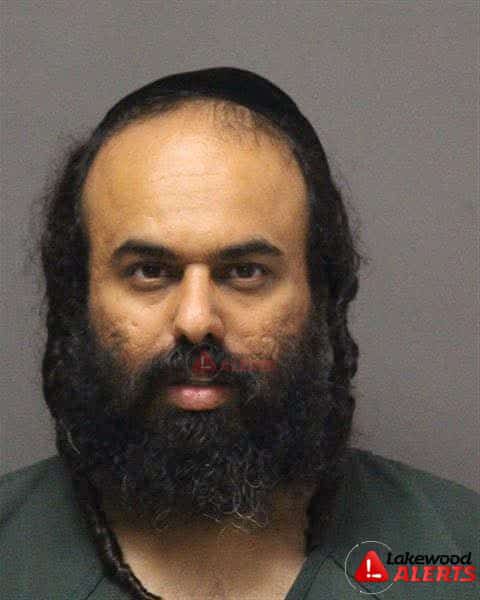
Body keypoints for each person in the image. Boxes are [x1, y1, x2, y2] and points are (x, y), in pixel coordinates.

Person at [0, 67, 478, 600]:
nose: (196, 320)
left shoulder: (459, 550)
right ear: (78, 293)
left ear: (321, 292)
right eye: (149, 271)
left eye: (245, 272)